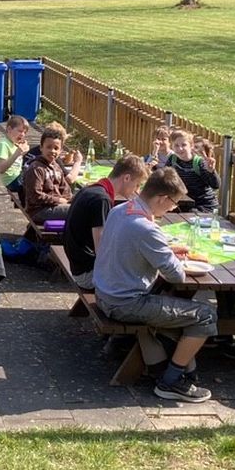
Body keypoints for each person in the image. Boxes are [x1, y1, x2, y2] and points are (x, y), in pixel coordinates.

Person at [93, 167, 216, 403]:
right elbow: (177, 277)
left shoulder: (120, 210)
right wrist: (172, 258)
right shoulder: (146, 228)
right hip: (125, 303)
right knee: (206, 315)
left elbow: (132, 247)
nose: (172, 208)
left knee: (174, 307)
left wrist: (166, 251)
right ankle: (171, 381)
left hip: (104, 292)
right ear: (161, 198)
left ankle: (162, 365)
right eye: (173, 203)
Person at [62, 154, 147, 289]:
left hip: (79, 265)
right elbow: (102, 248)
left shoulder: (92, 189)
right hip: (88, 274)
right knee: (144, 276)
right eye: (137, 185)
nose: (136, 191)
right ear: (126, 178)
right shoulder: (102, 200)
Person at [22, 126, 82, 224]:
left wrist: (73, 200)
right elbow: (35, 196)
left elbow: (66, 190)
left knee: (85, 205)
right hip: (39, 210)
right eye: (48, 147)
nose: (52, 151)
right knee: (80, 212)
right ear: (41, 148)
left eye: (56, 148)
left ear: (60, 150)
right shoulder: (36, 168)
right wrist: (58, 200)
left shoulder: (56, 167)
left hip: (55, 206)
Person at [164, 129, 219, 212]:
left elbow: (215, 185)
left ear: (191, 146)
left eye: (184, 145)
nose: (180, 148)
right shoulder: (172, 159)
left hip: (204, 205)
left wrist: (211, 171)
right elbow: (164, 177)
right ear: (171, 146)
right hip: (185, 202)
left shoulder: (199, 163)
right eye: (176, 145)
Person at [0, 115, 30, 207]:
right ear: (9, 129)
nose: (22, 134)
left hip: (17, 177)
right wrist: (17, 153)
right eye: (20, 131)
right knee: (33, 177)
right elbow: (1, 169)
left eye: (25, 132)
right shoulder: (3, 144)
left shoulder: (14, 144)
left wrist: (23, 153)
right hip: (11, 180)